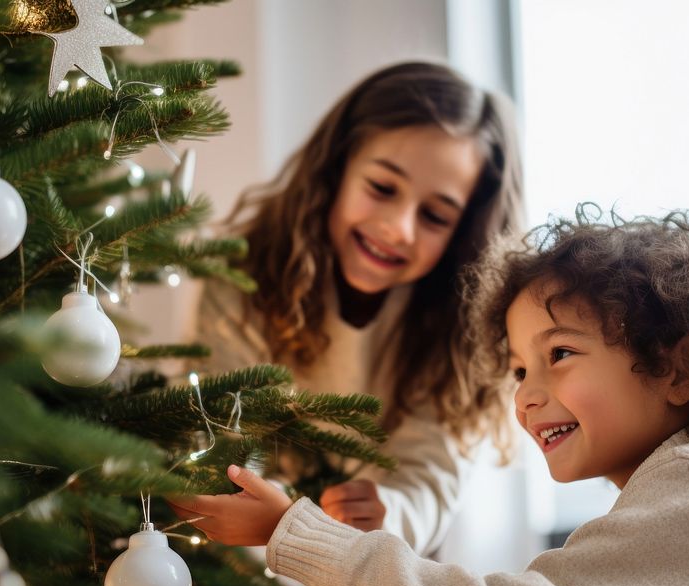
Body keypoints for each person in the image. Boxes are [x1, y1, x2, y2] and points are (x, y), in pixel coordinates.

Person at [173, 206, 689, 586]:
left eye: (560, 354)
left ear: (681, 366)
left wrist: (295, 530)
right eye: (520, 367)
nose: (525, 393)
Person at [192, 61, 523, 556]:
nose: (398, 228)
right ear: (336, 168)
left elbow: (431, 472)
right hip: (238, 580)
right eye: (382, 188)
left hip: (382, 576)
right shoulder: (247, 275)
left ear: (464, 231)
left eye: (434, 215)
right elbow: (222, 426)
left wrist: (389, 513)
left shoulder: (458, 325)